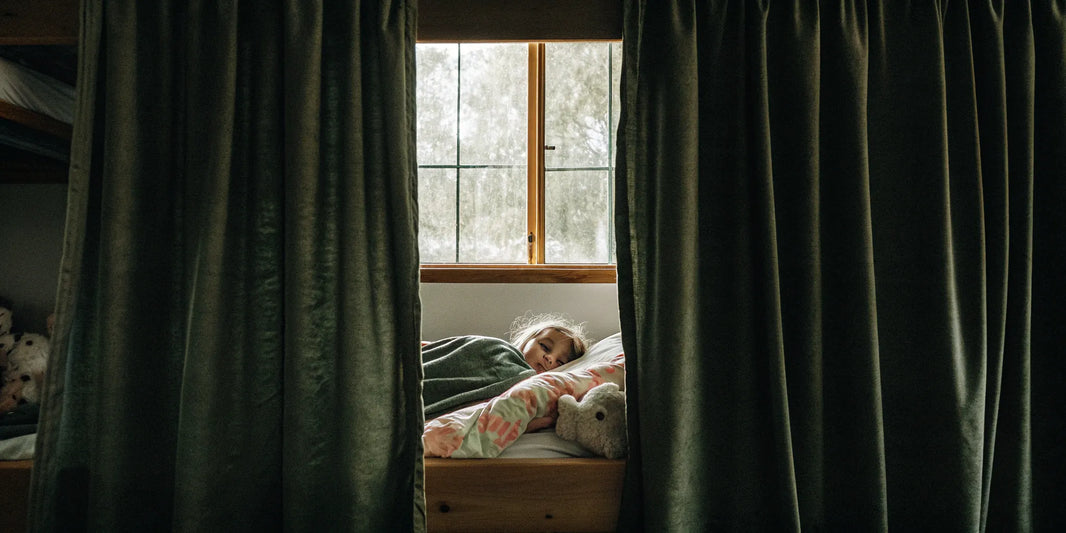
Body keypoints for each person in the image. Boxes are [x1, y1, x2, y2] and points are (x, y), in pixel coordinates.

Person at [421, 313, 589, 420]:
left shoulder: (532, 390)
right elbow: (450, 352)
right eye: (544, 347)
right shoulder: (499, 350)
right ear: (527, 341)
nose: (550, 358)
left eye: (560, 362)